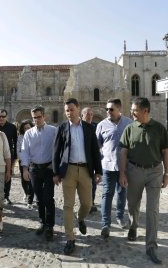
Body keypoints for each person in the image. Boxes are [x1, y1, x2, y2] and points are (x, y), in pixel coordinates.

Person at [119, 97, 168, 265]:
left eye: (134, 110)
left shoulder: (159, 128)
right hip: (134, 171)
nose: (131, 113)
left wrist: (167, 173)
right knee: (133, 204)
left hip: (155, 171)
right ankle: (133, 226)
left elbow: (166, 152)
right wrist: (122, 173)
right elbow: (123, 153)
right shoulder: (129, 128)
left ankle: (151, 246)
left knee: (152, 210)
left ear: (145, 111)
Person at [53, 98, 102, 255]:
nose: (69, 113)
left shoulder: (88, 128)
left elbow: (95, 150)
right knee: (68, 205)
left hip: (86, 170)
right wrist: (56, 173)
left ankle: (80, 219)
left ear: (78, 109)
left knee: (87, 204)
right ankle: (70, 238)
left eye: (71, 109)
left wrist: (98, 171)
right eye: (67, 110)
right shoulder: (62, 128)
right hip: (69, 171)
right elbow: (56, 152)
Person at [96, 98, 132, 238]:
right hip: (107, 166)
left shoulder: (128, 123)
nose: (108, 112)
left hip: (124, 167)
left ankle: (120, 216)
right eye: (107, 109)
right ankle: (105, 224)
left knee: (122, 192)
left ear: (119, 109)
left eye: (111, 109)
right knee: (107, 194)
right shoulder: (101, 125)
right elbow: (97, 145)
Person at [21, 106, 57, 241]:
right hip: (34, 169)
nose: (36, 120)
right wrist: (25, 169)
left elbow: (58, 149)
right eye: (34, 118)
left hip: (48, 169)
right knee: (39, 198)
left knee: (48, 198)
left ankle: (50, 226)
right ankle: (42, 222)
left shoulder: (53, 131)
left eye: (38, 117)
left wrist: (55, 168)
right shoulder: (29, 133)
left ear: (44, 116)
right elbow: (24, 151)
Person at [0, 109, 17, 205]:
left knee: (7, 175)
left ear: (6, 117)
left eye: (3, 116)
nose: (1, 118)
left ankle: (6, 196)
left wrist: (15, 156)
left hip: (8, 156)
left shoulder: (12, 127)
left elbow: (16, 141)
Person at [81, 107, 98, 213]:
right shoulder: (78, 127)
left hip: (92, 160)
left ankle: (91, 203)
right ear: (82, 115)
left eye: (91, 114)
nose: (90, 116)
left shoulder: (95, 126)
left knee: (93, 183)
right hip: (81, 160)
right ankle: (83, 203)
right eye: (87, 114)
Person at [16, 119, 34, 208]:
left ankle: (30, 199)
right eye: (25, 128)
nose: (27, 129)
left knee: (31, 180)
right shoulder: (20, 137)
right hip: (23, 161)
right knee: (24, 179)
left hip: (33, 161)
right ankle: (26, 193)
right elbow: (18, 150)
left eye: (28, 127)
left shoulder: (35, 135)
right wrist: (23, 159)